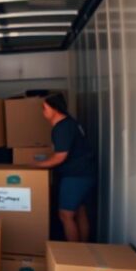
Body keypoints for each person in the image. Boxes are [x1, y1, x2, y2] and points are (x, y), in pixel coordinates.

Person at [29, 93, 96, 242]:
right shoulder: (70, 123)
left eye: (44, 107)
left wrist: (36, 165)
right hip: (85, 174)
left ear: (54, 108)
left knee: (65, 215)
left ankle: (72, 254)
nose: (43, 111)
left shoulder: (62, 128)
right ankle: (83, 249)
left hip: (75, 177)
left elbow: (60, 157)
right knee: (79, 212)